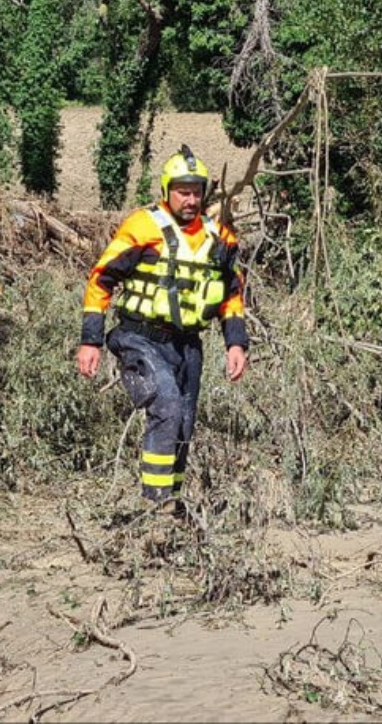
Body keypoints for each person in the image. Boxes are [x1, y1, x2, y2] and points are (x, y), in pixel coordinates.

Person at [76, 145, 249, 505]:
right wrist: (90, 340)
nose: (190, 199)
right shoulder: (143, 226)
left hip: (187, 346)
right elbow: (101, 280)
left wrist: (236, 344)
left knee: (184, 424)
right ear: (168, 190)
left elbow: (232, 294)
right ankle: (151, 507)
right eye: (183, 192)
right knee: (167, 407)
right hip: (139, 338)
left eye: (196, 192)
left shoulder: (220, 238)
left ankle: (173, 500)